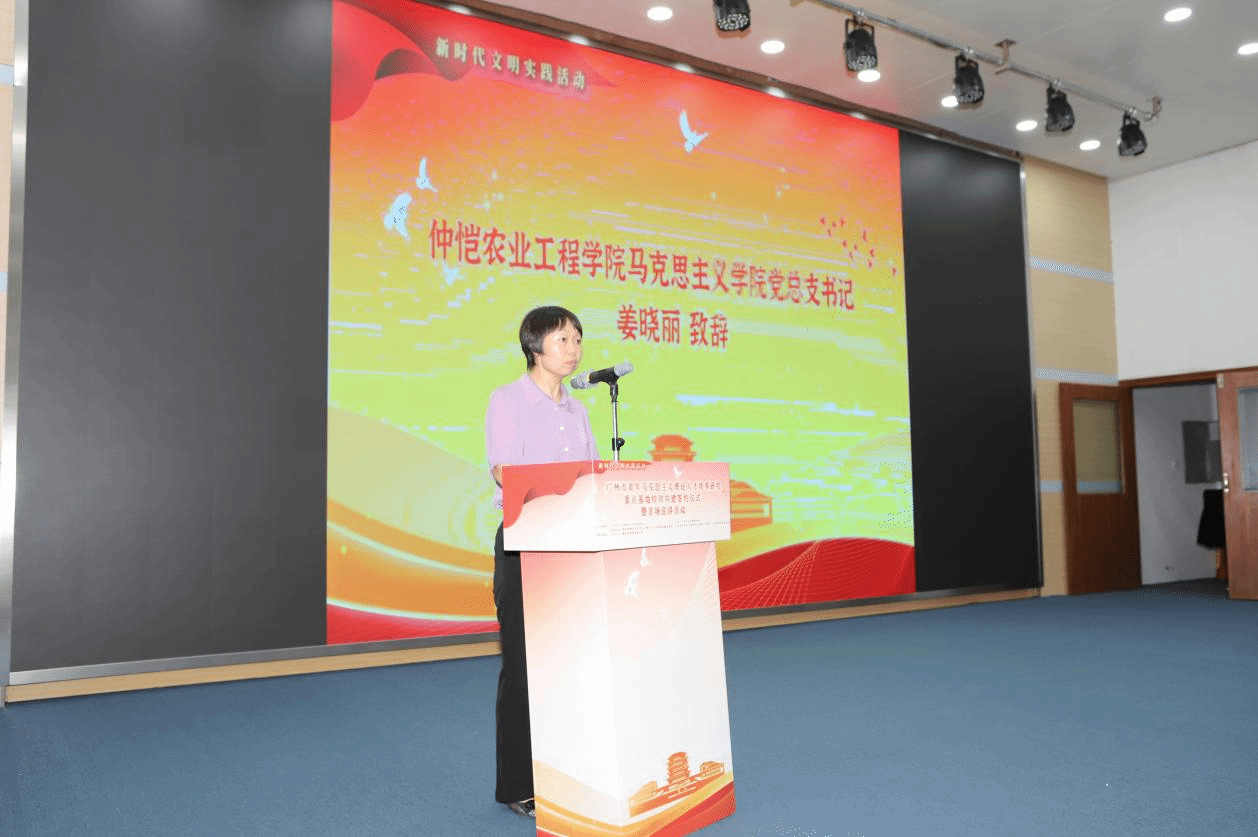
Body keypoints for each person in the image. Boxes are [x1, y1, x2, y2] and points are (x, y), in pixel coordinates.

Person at [484, 305, 599, 819]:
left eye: (577, 339)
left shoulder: (580, 411)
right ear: (534, 346)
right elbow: (503, 470)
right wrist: (560, 485)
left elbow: (591, 477)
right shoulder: (508, 399)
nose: (573, 349)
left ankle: (567, 773)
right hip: (526, 540)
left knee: (570, 663)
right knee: (524, 667)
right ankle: (518, 785)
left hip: (574, 545)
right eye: (562, 339)